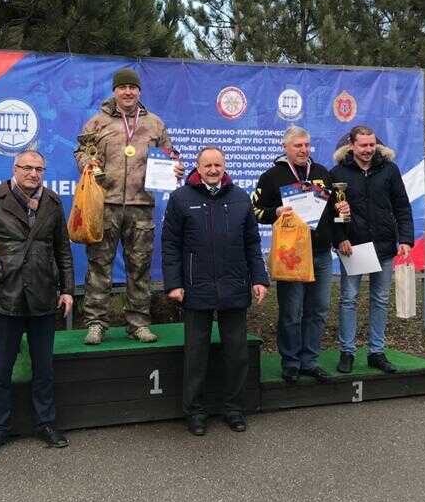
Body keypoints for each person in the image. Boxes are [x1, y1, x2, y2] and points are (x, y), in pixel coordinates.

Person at [0, 150, 74, 455]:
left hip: (43, 295)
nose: (33, 173)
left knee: (44, 368)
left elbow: (63, 250)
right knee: (1, 370)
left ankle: (46, 424)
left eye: (38, 169)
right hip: (6, 296)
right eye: (27, 167)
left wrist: (67, 289)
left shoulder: (53, 202)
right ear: (15, 169)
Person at [161, 147, 269, 436]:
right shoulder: (181, 198)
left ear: (224, 166)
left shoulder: (240, 197)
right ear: (198, 168)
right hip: (196, 287)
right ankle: (195, 412)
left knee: (237, 354)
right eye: (207, 165)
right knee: (196, 355)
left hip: (234, 286)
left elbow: (252, 244)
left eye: (217, 165)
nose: (212, 170)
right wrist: (174, 283)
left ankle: (234, 409)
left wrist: (259, 278)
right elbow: (170, 244)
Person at [74, 67, 182, 345]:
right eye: (122, 87)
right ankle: (96, 324)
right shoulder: (97, 122)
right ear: (115, 91)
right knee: (99, 266)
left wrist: (175, 168)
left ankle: (138, 323)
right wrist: (88, 164)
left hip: (141, 205)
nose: (128, 92)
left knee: (140, 267)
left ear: (139, 91)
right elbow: (81, 151)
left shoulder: (155, 124)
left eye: (132, 87)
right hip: (104, 204)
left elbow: (170, 154)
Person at [251, 126, 337, 385]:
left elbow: (333, 209)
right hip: (292, 255)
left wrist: (341, 212)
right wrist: (276, 212)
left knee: (318, 310)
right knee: (291, 312)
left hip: (321, 253)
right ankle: (290, 362)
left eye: (306, 145)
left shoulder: (322, 173)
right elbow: (255, 210)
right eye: (298, 145)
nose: (303, 150)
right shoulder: (272, 176)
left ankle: (310, 361)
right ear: (285, 147)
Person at [329, 125, 414, 374]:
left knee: (380, 299)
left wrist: (405, 239)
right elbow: (333, 212)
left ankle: (376, 352)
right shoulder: (338, 173)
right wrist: (340, 238)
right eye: (363, 145)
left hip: (385, 245)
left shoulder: (389, 170)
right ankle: (347, 352)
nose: (368, 149)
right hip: (354, 248)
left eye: (371, 144)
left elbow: (402, 206)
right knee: (348, 299)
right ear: (352, 145)